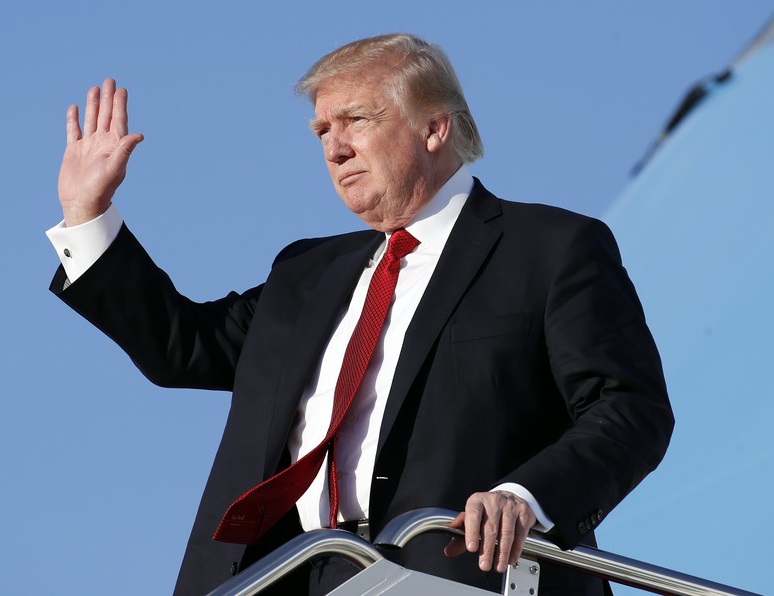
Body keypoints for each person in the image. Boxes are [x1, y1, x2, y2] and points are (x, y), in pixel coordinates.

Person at [47, 34, 673, 595]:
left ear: (435, 128)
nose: (335, 147)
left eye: (356, 119)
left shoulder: (549, 248)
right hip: (290, 576)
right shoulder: (306, 275)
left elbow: (629, 410)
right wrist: (88, 214)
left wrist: (527, 497)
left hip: (460, 573)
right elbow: (179, 345)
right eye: (322, 130)